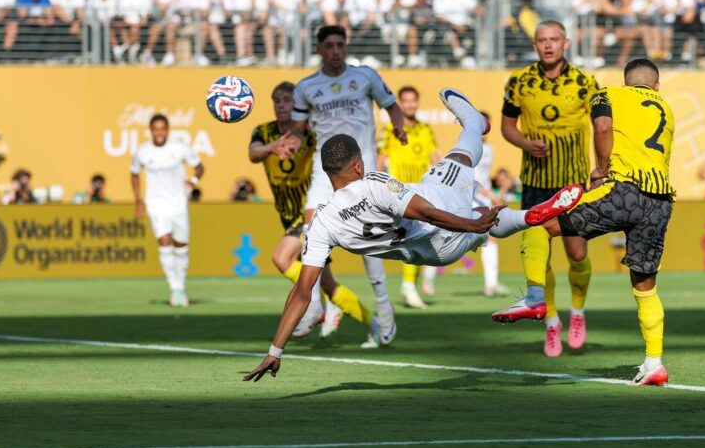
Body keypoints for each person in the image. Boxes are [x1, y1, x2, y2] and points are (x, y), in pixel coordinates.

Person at [243, 88, 583, 381]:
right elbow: (426, 212)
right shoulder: (374, 183)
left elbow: (302, 291)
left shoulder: (321, 223)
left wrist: (275, 349)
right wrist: (469, 224)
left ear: (328, 173)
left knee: (484, 217)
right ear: (359, 166)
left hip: (435, 254)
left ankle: (520, 217)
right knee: (461, 158)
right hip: (441, 210)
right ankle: (478, 131)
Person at [536, 59, 673, 386]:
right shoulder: (666, 108)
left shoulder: (608, 94)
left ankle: (536, 301)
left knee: (543, 226)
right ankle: (654, 362)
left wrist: (600, 169)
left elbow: (601, 128)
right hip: (660, 199)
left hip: (623, 190)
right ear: (656, 86)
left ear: (627, 82)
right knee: (645, 286)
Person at [286, 24, 407, 347]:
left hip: (361, 171)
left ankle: (384, 305)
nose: (336, 51)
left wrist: (397, 126)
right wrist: (291, 141)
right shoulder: (306, 87)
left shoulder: (365, 76)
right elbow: (297, 128)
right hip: (324, 172)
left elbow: (391, 105)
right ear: (319, 49)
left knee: (372, 239)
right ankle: (313, 305)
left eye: (341, 44)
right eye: (329, 46)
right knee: (311, 231)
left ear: (346, 46)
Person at [495, 20, 599, 358]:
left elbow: (602, 125)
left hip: (573, 183)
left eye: (554, 39)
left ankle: (578, 312)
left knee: (577, 254)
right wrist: (526, 143)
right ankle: (552, 322)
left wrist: (601, 169)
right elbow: (507, 126)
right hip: (536, 184)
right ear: (535, 44)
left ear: (565, 43)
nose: (548, 45)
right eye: (542, 40)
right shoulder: (519, 82)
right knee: (543, 261)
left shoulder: (585, 82)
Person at [250, 81, 376, 340]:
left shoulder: (309, 133)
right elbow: (254, 153)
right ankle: (377, 326)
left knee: (281, 258)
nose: (281, 105)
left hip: (310, 212)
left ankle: (314, 307)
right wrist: (271, 148)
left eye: (287, 100)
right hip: (287, 213)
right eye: (277, 100)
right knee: (328, 284)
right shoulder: (263, 131)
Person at [130, 114, 204, 307]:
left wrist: (193, 181)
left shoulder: (180, 148)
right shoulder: (142, 151)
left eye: (162, 128)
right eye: (155, 129)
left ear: (168, 129)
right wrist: (139, 201)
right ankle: (175, 289)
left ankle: (181, 286)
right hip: (156, 204)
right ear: (150, 130)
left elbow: (199, 167)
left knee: (180, 245)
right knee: (164, 243)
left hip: (178, 203)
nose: (159, 133)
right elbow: (134, 174)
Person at [377, 85, 439, 309]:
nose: (410, 104)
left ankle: (409, 285)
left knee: (422, 239)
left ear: (417, 102)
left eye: (413, 100)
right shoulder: (390, 129)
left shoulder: (426, 129)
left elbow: (435, 158)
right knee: (415, 238)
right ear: (400, 104)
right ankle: (407, 285)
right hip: (399, 192)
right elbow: (380, 160)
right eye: (406, 101)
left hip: (422, 191)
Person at [473, 111, 510, 298]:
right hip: (471, 198)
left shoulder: (489, 148)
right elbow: (471, 178)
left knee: (490, 238)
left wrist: (497, 192)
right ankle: (427, 278)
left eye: (486, 123)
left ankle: (491, 284)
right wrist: (490, 195)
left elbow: (484, 177)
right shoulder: (470, 147)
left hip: (485, 198)